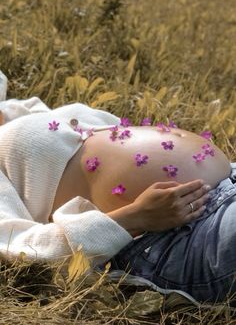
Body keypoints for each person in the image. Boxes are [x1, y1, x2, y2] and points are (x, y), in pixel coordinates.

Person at [0, 70, 235, 304]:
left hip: (227, 180)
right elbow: (20, 244)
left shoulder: (20, 112)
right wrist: (135, 217)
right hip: (173, 234)